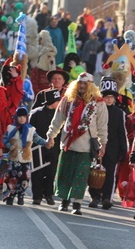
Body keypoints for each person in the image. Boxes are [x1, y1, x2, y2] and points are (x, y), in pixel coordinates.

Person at [46, 72, 108, 215]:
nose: (81, 86)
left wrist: (103, 144)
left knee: (81, 176)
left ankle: (77, 204)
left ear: (91, 86)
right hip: (68, 144)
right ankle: (64, 201)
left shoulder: (99, 103)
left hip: (86, 147)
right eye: (80, 83)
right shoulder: (68, 100)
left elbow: (102, 126)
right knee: (65, 174)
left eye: (85, 83)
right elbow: (57, 120)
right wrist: (50, 136)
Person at [88, 77, 128, 210]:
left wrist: (123, 150)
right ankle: (94, 196)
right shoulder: (95, 109)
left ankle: (106, 198)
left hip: (113, 148)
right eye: (106, 96)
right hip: (96, 146)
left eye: (112, 97)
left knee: (109, 174)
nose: (109, 99)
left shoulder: (119, 113)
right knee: (94, 172)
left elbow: (122, 132)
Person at [2, 107, 49, 206]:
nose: (22, 119)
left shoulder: (31, 129)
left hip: (25, 159)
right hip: (13, 158)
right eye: (19, 116)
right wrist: (10, 146)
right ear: (16, 117)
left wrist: (46, 143)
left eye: (24, 116)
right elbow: (5, 139)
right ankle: (10, 196)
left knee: (24, 178)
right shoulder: (10, 128)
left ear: (27, 117)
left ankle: (21, 195)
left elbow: (37, 139)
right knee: (11, 177)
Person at [30, 89, 62, 206]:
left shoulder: (60, 115)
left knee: (51, 173)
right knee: (37, 172)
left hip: (54, 148)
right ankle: (37, 196)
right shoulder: (36, 113)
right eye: (57, 100)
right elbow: (30, 131)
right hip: (37, 147)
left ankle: (48, 195)